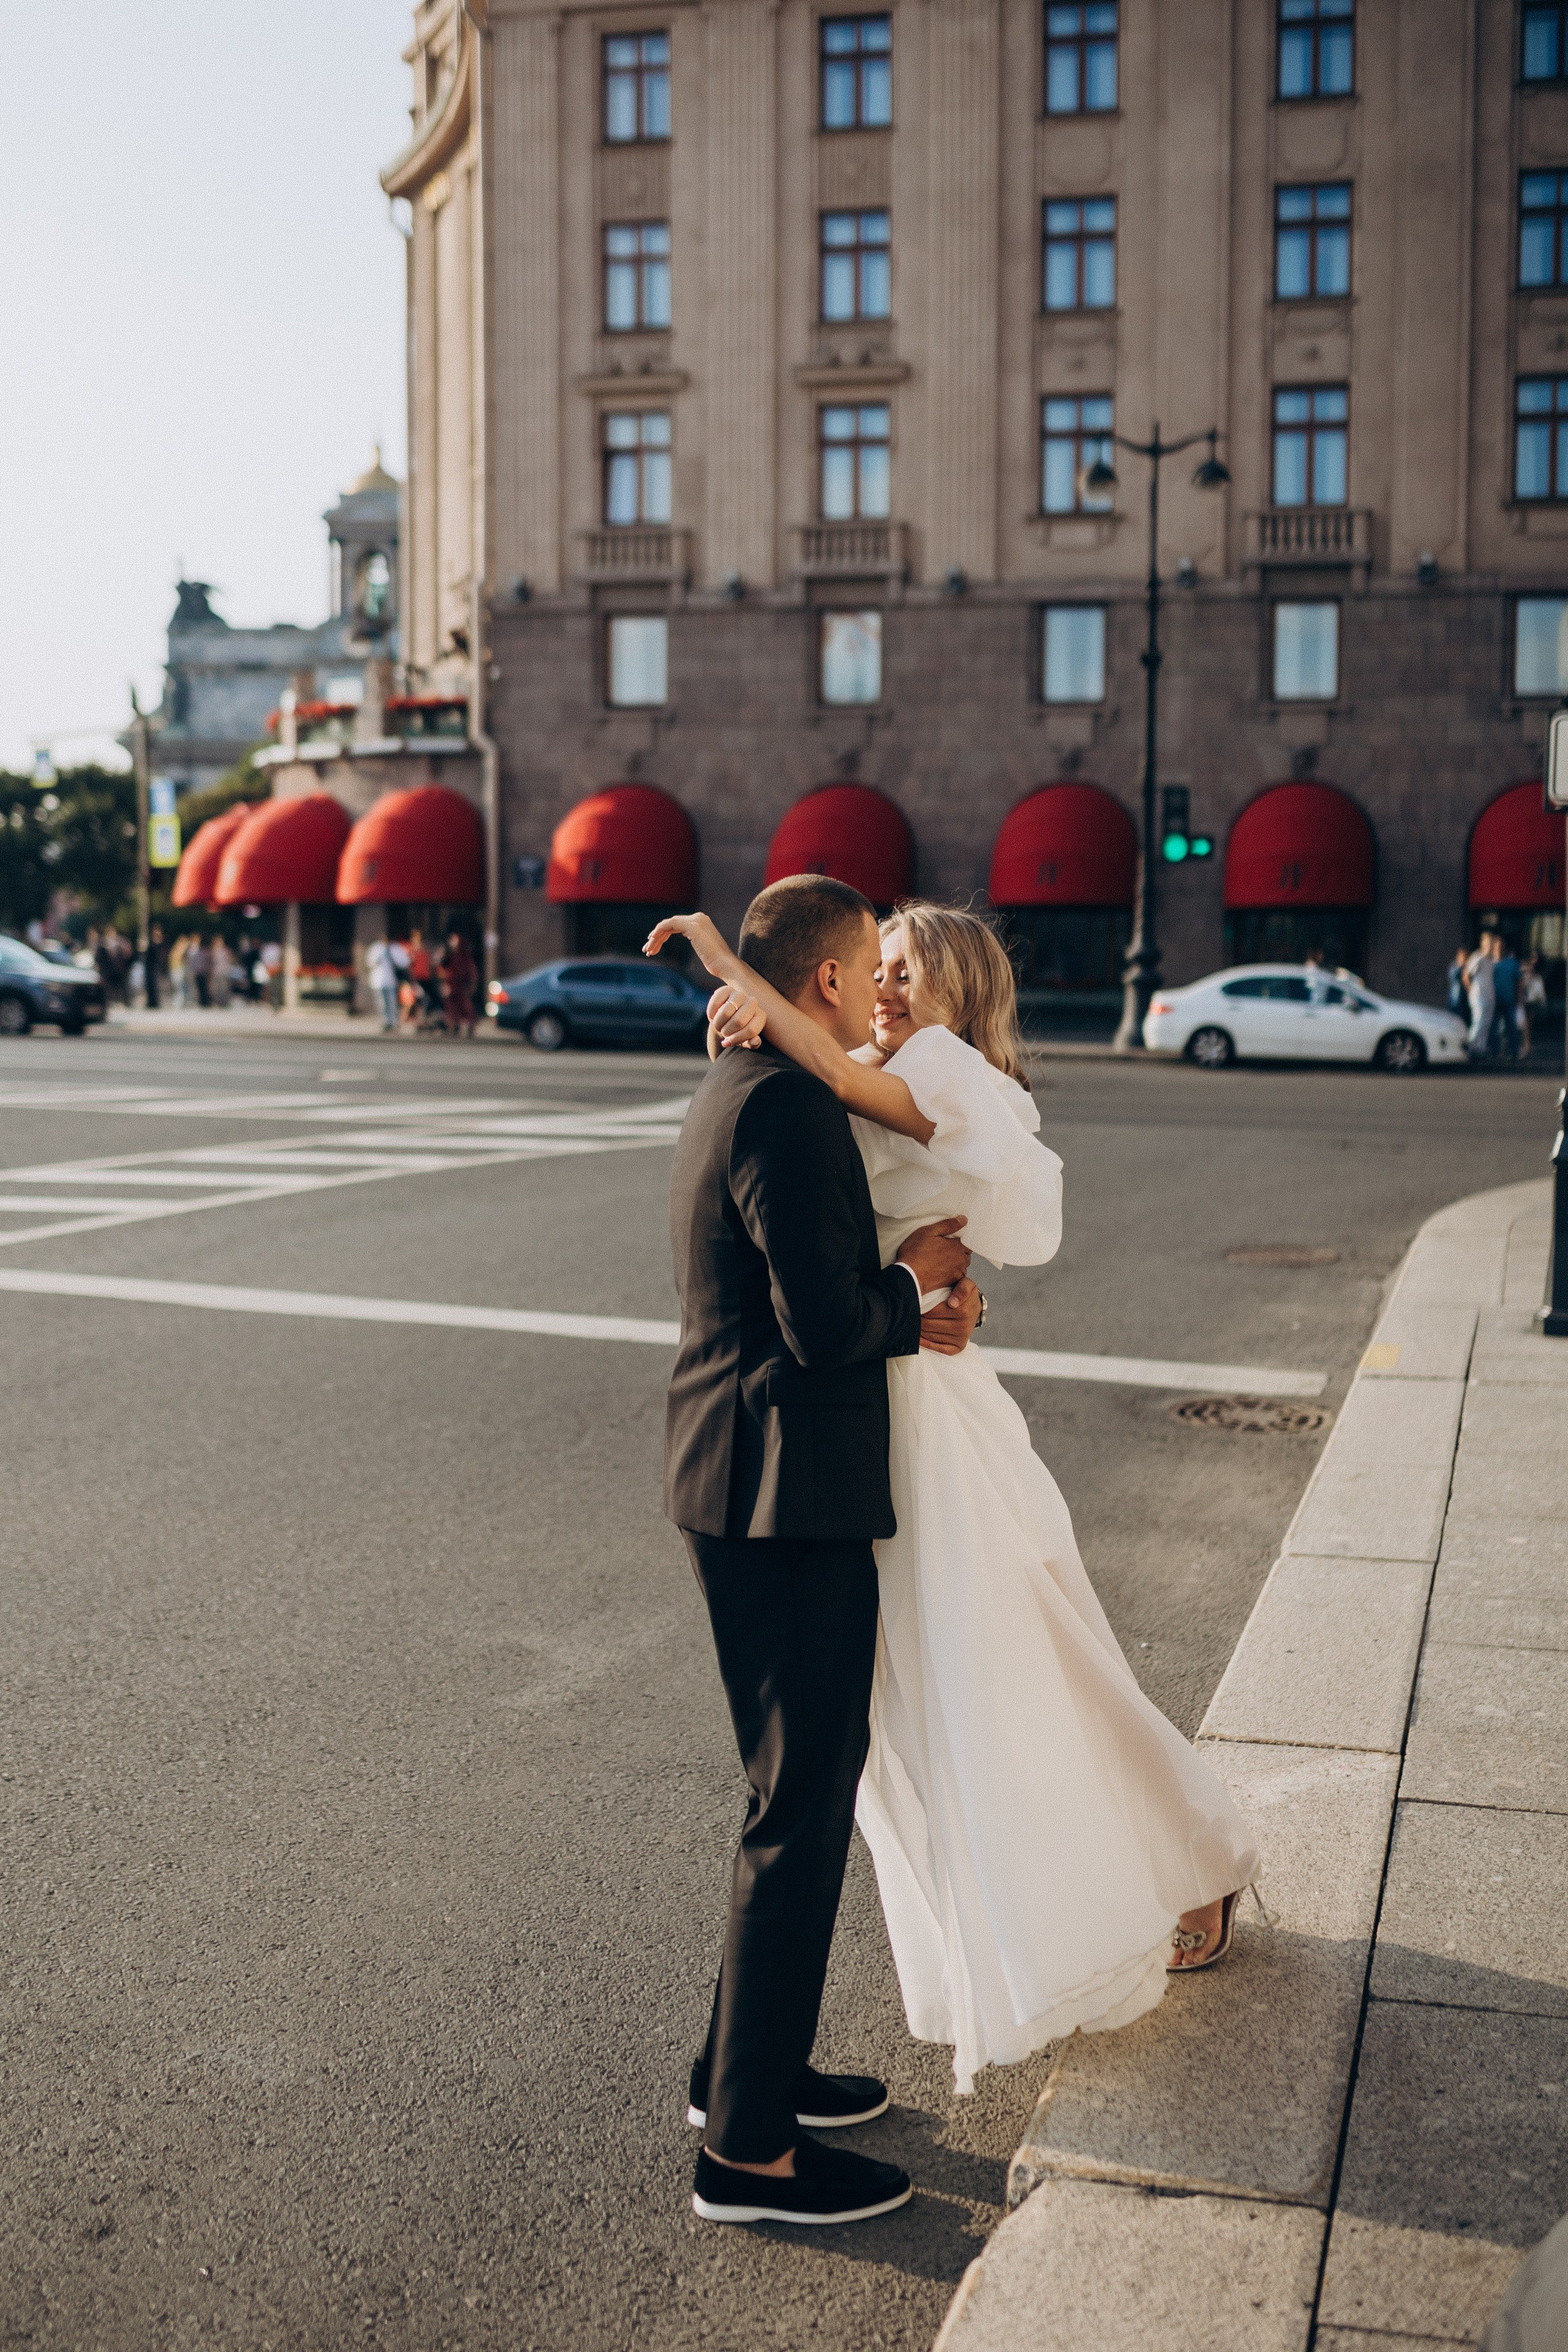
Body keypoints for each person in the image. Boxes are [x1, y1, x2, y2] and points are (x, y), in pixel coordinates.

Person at [650, 896, 1264, 2114]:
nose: (882, 985)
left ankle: (1179, 1863)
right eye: (872, 965)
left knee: (999, 1674)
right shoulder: (831, 1071)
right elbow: (827, 1190)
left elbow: (840, 1107)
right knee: (870, 1747)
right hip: (856, 1416)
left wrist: (731, 972)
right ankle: (747, 2087)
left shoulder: (925, 1069)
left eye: (903, 968)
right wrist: (752, 1002)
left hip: (902, 1424)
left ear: (954, 993)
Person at [661, 875, 978, 2230]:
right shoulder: (786, 1105)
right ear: (833, 981)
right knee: (796, 1808)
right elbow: (819, 1324)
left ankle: (749, 2073)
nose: (876, 993)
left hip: (746, 1480)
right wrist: (917, 1295)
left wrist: (895, 1288)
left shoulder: (752, 1082)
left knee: (783, 1797)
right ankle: (747, 2156)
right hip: (776, 1495)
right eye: (867, 971)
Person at [1465, 933, 1495, 1061]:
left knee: (1486, 1023)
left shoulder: (1491, 960)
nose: (1491, 948)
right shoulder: (1477, 958)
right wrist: (1472, 991)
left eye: (1492, 945)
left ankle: (1481, 1049)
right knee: (1479, 1021)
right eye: (1489, 945)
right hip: (1479, 996)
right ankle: (1469, 1046)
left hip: (1490, 996)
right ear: (1484, 945)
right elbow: (1466, 975)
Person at [442, 931, 477, 1038]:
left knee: (465, 1007)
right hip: (452, 985)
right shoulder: (450, 955)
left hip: (462, 986)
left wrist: (471, 984)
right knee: (451, 1007)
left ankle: (468, 1028)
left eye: (454, 940)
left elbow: (471, 971)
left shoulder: (465, 955)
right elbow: (445, 967)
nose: (451, 942)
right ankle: (454, 1027)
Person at [1490, 936, 1520, 1061]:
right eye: (1497, 947)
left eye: (1501, 947)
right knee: (1494, 1027)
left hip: (1509, 1000)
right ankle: (1495, 1052)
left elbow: (1519, 981)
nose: (1499, 949)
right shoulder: (1490, 962)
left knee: (1511, 1027)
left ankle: (1514, 1052)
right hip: (1494, 1001)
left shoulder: (1512, 962)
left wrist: (1519, 998)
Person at [366, 936, 401, 1033]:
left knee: (392, 1003)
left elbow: (403, 963)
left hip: (391, 981)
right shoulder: (376, 948)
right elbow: (370, 962)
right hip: (378, 982)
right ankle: (386, 1023)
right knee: (382, 1004)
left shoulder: (395, 948)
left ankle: (394, 1023)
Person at [1520, 956, 1548, 1059]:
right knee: (1526, 1024)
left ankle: (1527, 1045)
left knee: (1528, 1024)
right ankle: (1526, 1045)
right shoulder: (1524, 971)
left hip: (1531, 1001)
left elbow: (1540, 990)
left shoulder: (1536, 976)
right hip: (1525, 1001)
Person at [1447, 946, 1470, 1020]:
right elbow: (1454, 977)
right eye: (1462, 957)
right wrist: (1461, 968)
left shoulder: (1468, 969)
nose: (1463, 959)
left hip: (1464, 1001)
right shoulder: (1454, 967)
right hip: (1454, 1000)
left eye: (1465, 957)